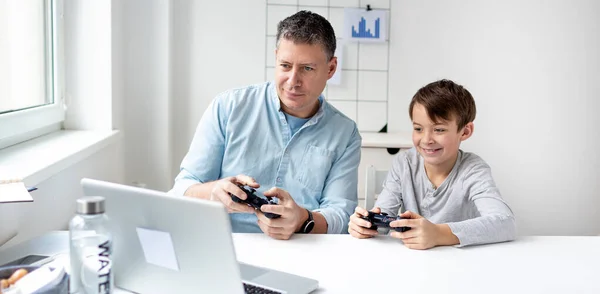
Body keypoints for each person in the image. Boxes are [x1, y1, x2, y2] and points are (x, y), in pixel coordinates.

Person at [171, 11, 361, 239]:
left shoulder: (345, 133)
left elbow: (340, 215)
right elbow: (182, 189)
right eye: (285, 65)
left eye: (307, 68)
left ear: (331, 69)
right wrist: (214, 191)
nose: (293, 81)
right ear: (276, 58)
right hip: (225, 246)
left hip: (303, 251)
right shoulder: (228, 107)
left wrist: (302, 219)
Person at [348, 79, 516, 249]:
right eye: (418, 129)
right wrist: (367, 225)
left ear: (465, 131)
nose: (427, 140)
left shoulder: (473, 170)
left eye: (439, 130)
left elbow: (505, 223)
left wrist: (438, 234)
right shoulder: (404, 163)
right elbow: (383, 220)